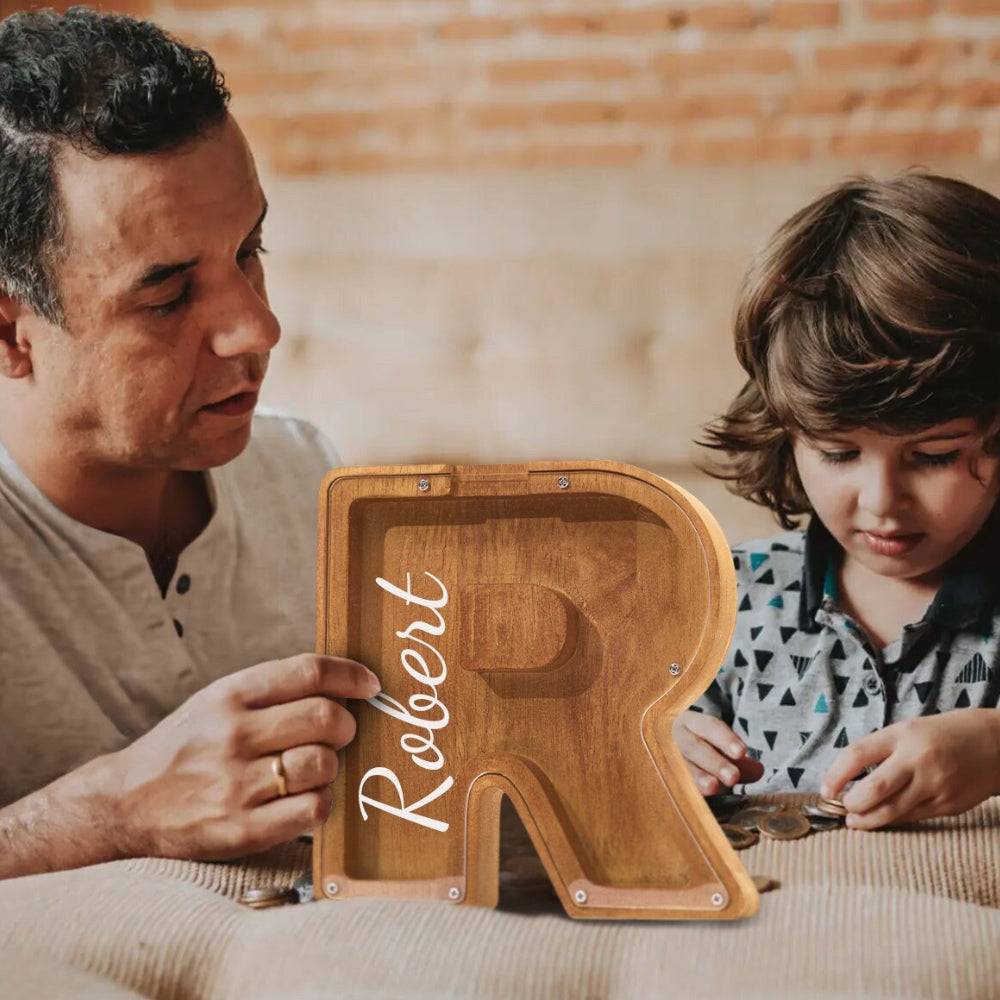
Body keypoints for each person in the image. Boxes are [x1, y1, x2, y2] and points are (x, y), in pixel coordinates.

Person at [0, 7, 378, 878]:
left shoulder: (307, 473)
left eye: (249, 250)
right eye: (168, 295)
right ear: (10, 335)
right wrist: (115, 812)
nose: (259, 327)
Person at [673, 173, 1000, 830]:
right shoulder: (720, 596)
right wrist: (647, 749)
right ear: (785, 434)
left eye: (933, 455)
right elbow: (585, 743)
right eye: (838, 453)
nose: (883, 503)